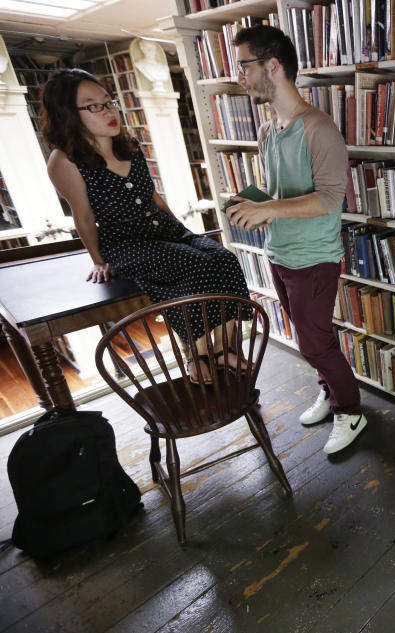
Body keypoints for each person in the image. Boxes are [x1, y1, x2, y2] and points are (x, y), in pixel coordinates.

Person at [41, 69, 253, 384]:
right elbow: (83, 217)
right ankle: (196, 355)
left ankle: (223, 349)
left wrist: (184, 233)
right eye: (94, 106)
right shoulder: (65, 161)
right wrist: (99, 261)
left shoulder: (129, 144)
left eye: (108, 102)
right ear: (68, 114)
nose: (110, 111)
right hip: (124, 242)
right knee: (193, 265)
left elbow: (153, 196)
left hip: (164, 229)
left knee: (223, 258)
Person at [228, 25, 366, 454]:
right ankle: (329, 391)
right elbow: (276, 189)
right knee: (311, 342)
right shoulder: (269, 130)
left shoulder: (319, 128)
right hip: (279, 253)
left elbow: (328, 199)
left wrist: (267, 210)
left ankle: (351, 412)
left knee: (315, 344)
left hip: (314, 258)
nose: (240, 77)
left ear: (272, 66)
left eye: (244, 65)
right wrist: (246, 200)